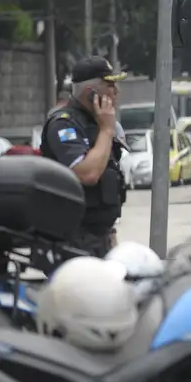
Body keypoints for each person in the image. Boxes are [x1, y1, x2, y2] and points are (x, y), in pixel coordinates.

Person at [39, 56, 127, 257]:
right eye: (110, 85)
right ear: (91, 93)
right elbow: (88, 174)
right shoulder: (64, 125)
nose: (116, 92)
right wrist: (106, 130)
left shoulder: (97, 122)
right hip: (73, 238)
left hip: (98, 236)